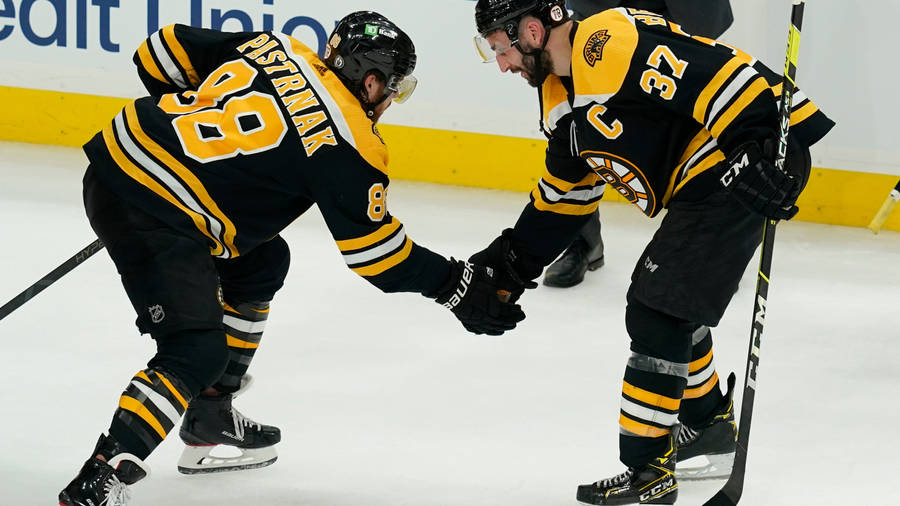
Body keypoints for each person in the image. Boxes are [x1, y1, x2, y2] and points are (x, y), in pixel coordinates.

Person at [58, 11, 525, 506]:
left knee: (262, 261)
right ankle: (100, 476)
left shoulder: (276, 46)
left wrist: (184, 127)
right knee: (194, 351)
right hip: (154, 216)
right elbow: (379, 257)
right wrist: (455, 285)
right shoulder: (350, 146)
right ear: (370, 83)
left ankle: (211, 412)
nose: (390, 100)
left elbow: (158, 50)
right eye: (394, 88)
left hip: (118, 160)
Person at [471, 1, 833, 504]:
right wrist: (506, 268)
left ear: (532, 30)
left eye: (501, 48)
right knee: (671, 296)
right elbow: (564, 198)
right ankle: (706, 425)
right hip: (706, 178)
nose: (503, 64)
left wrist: (756, 145)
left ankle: (649, 472)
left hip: (750, 157)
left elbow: (718, 73)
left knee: (656, 307)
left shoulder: (605, 43)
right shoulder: (558, 94)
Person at [543, 0, 734, 288]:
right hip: (599, 8)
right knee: (579, 123)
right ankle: (581, 240)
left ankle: (711, 251)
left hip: (686, 10)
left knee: (697, 121)